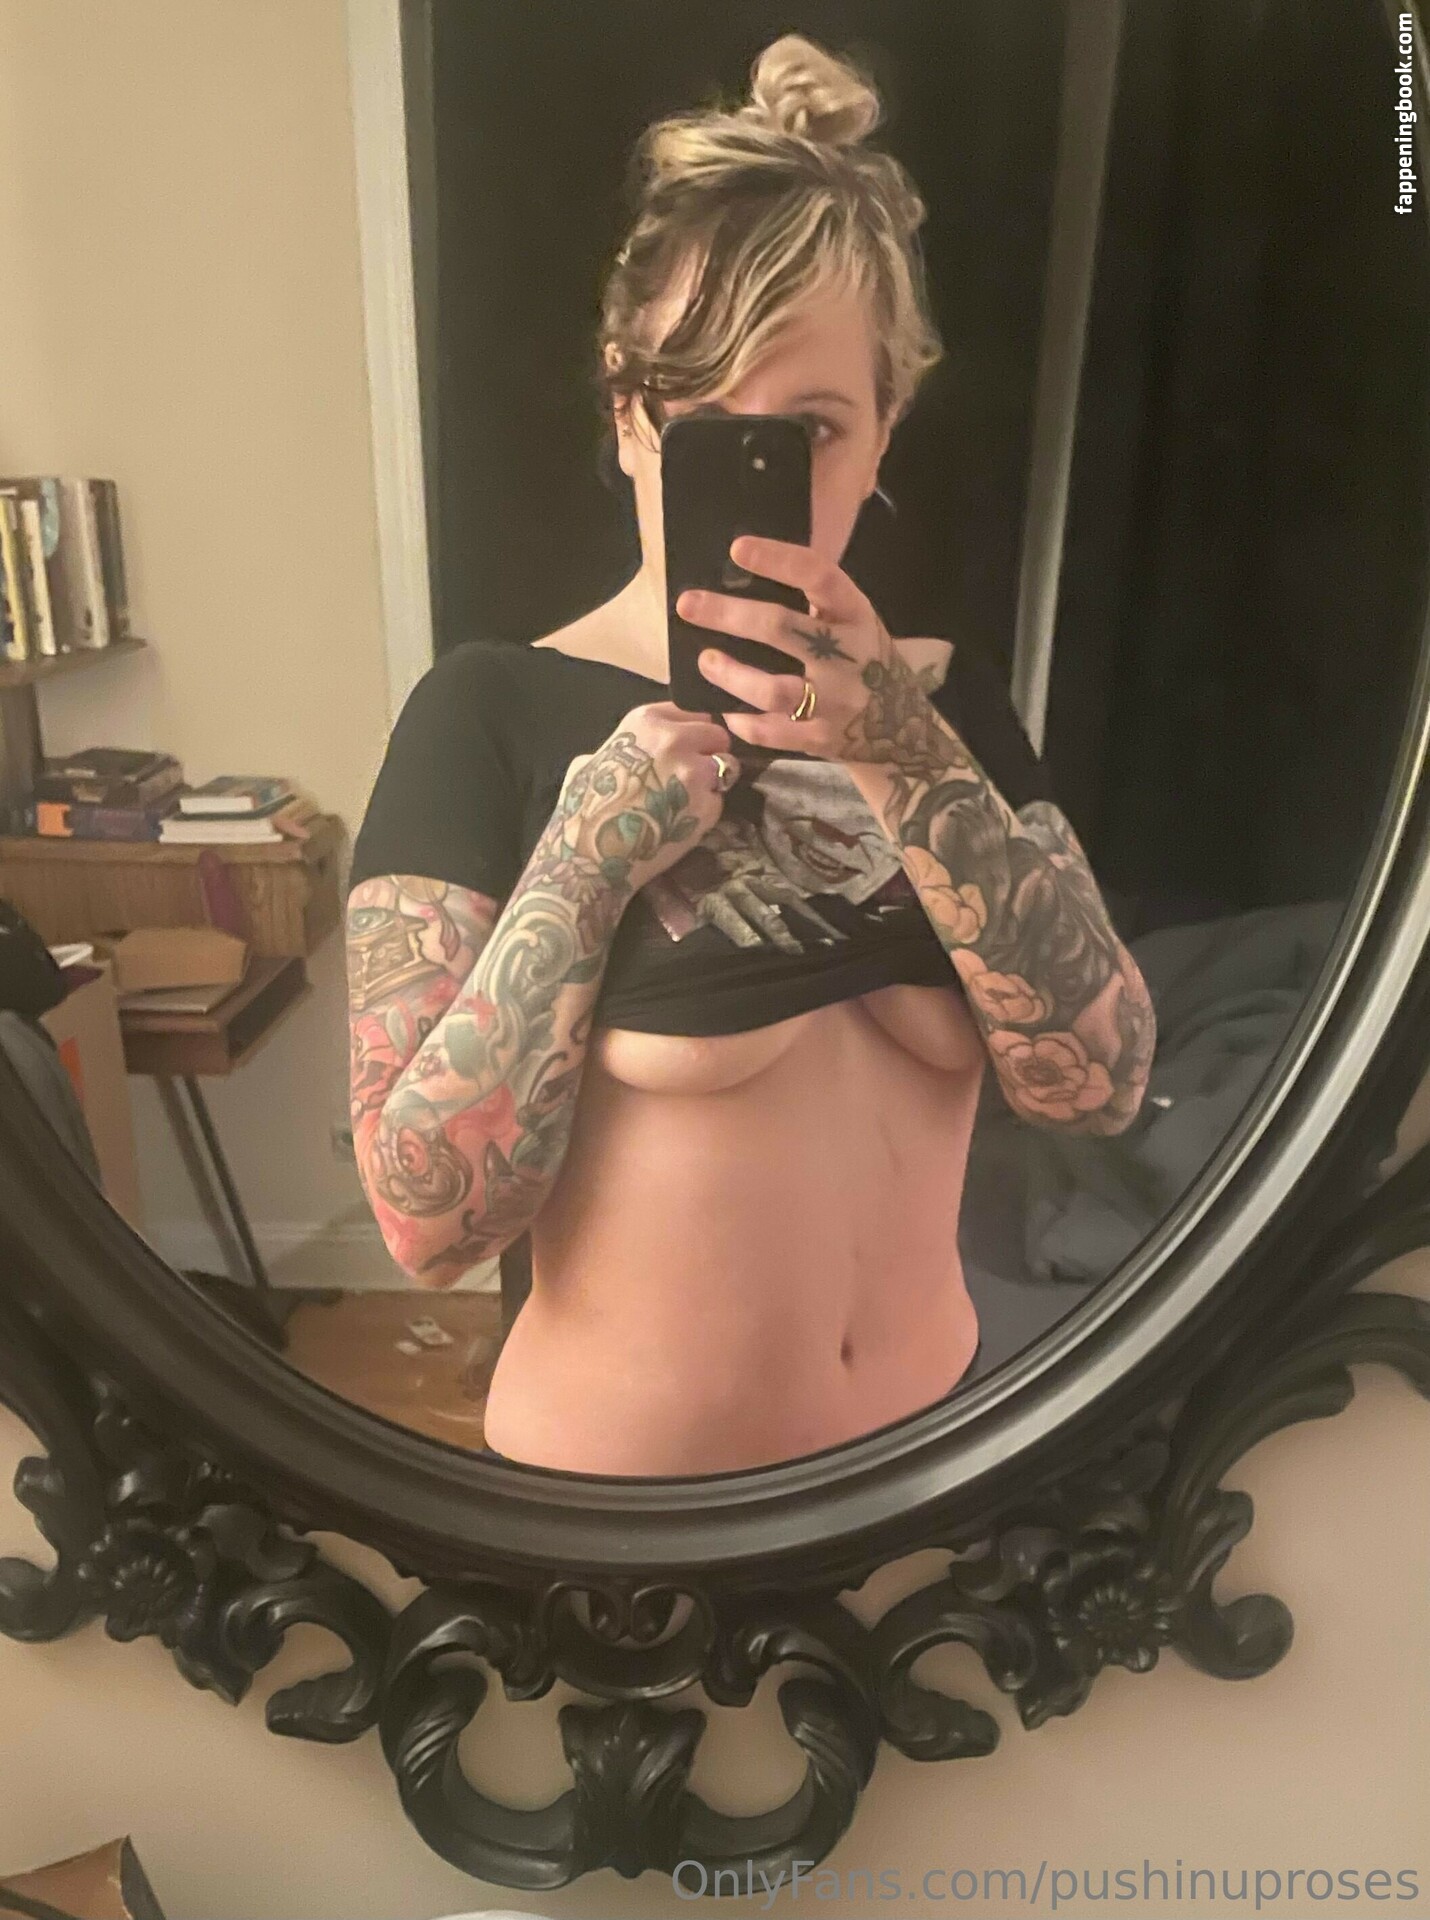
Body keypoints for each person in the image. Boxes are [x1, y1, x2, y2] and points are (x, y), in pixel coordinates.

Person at [345, 34, 1156, 1476]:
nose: (763, 472)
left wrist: (903, 752)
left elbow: (1098, 1084)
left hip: (936, 1472)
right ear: (628, 417)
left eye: (814, 430)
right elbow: (426, 1222)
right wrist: (585, 860)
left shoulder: (950, 711)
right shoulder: (489, 711)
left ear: (886, 428)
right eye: (705, 424)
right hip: (634, 1526)